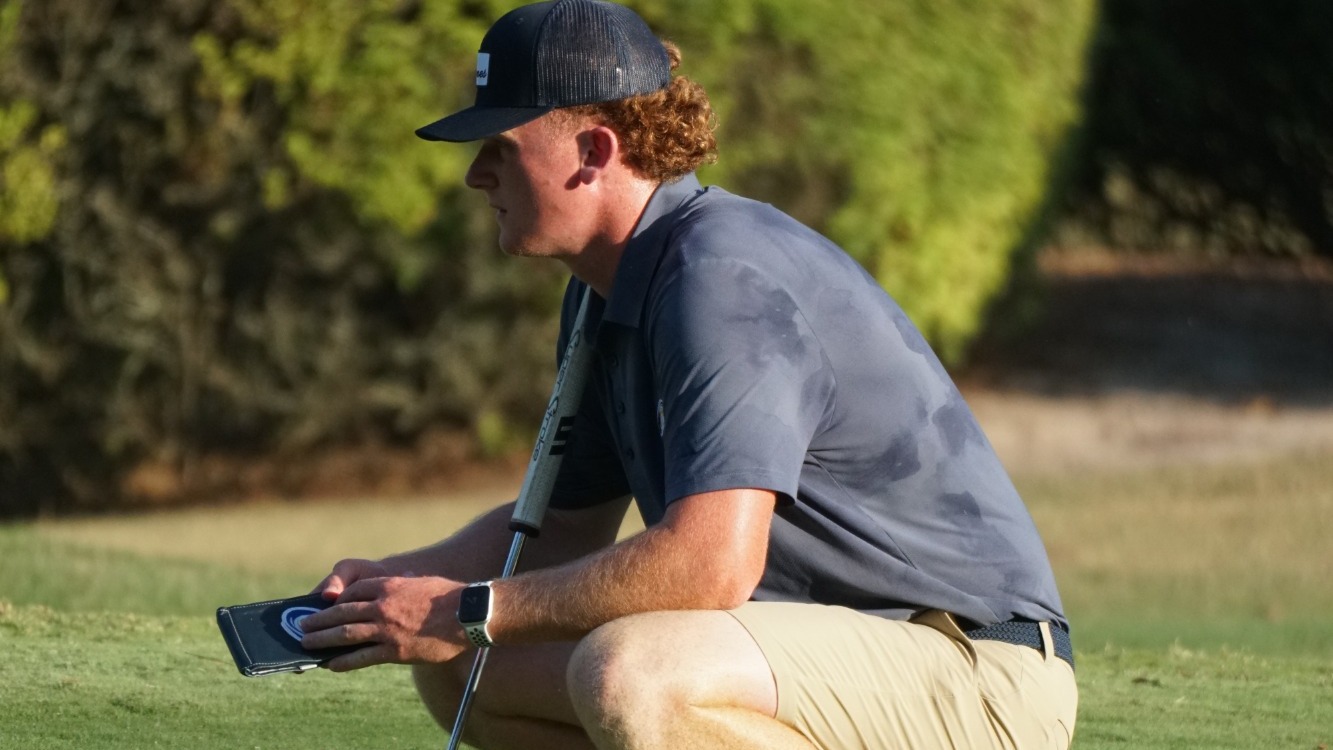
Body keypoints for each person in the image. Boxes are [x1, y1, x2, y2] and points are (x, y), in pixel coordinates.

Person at [298, 1, 1078, 748]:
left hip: (975, 668)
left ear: (594, 152)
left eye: (500, 145)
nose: (476, 175)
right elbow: (563, 526)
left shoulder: (718, 276)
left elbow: (709, 565)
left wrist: (467, 607)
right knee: (468, 670)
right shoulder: (607, 289)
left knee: (631, 675)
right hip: (847, 654)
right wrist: (395, 590)